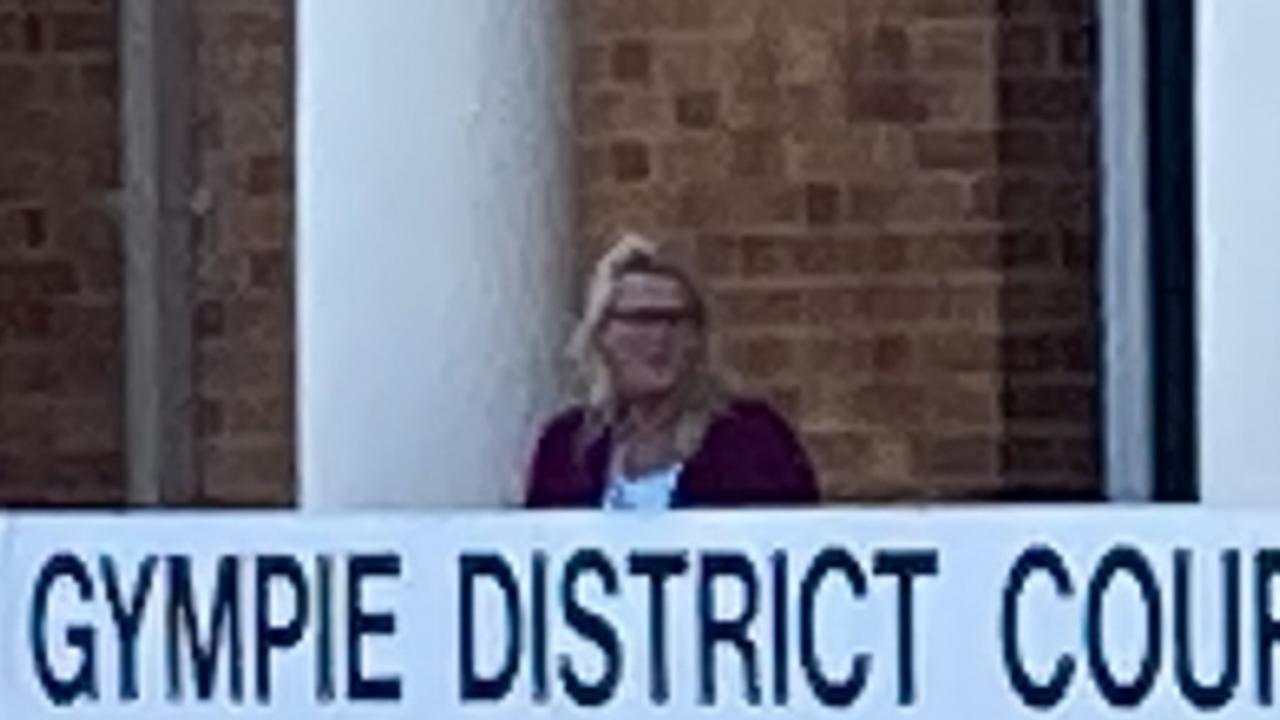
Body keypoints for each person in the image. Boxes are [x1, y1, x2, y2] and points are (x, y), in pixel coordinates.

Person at [525, 233, 818, 509]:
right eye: (642, 319)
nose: (661, 337)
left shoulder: (751, 440)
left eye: (677, 320)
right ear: (603, 333)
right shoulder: (565, 449)